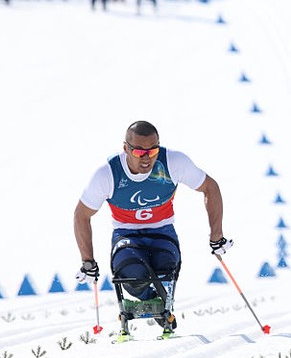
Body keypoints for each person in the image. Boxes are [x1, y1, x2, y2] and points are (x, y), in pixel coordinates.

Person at [73, 120, 230, 335]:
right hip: (126, 233)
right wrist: (87, 261)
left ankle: (162, 303)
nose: (147, 158)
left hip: (162, 231)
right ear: (126, 148)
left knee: (165, 268)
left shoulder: (173, 162)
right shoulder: (107, 174)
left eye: (153, 151)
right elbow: (81, 215)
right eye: (139, 152)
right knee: (130, 273)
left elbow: (210, 188)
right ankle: (156, 302)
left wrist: (216, 236)